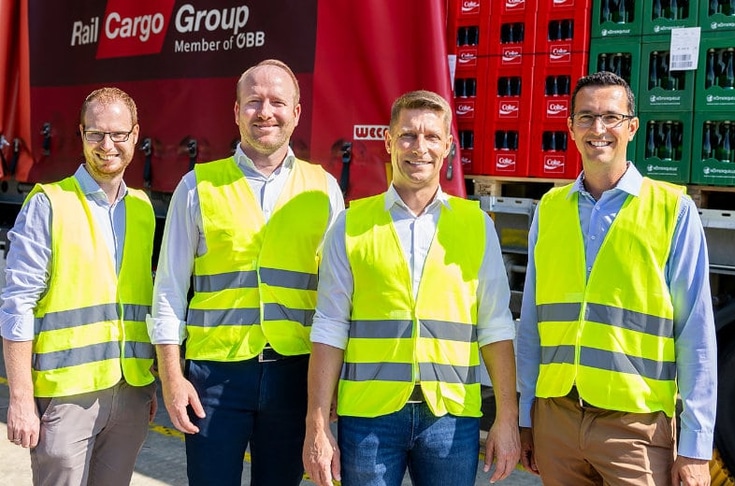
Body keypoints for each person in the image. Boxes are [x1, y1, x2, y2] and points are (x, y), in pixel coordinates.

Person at [303, 90, 520, 486]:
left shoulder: (477, 226)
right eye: (407, 135)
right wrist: (316, 424)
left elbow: (496, 326)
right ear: (388, 141)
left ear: (447, 145)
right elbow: (330, 325)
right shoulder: (351, 225)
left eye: (432, 136)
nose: (419, 147)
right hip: (369, 418)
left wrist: (507, 417)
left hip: (450, 418)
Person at [148, 59, 344, 486]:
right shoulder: (197, 186)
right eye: (253, 101)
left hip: (295, 376)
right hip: (215, 379)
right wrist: (172, 378)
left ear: (296, 113)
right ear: (236, 111)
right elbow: (168, 292)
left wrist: (329, 390)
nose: (265, 112)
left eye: (277, 102)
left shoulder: (324, 189)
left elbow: (337, 300)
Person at [516, 71, 717, 486]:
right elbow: (532, 323)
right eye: (586, 117)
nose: (598, 129)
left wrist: (696, 447)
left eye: (611, 117)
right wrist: (525, 417)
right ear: (571, 128)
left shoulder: (673, 210)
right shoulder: (549, 209)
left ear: (632, 127)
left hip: (635, 429)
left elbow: (696, 334)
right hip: (557, 419)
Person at [1, 87, 157, 485]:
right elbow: (17, 304)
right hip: (67, 397)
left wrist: (149, 382)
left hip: (130, 392)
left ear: (135, 135)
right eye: (96, 134)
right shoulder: (49, 204)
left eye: (118, 134)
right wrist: (20, 398)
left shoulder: (143, 209)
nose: (107, 145)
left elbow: (141, 303)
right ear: (82, 134)